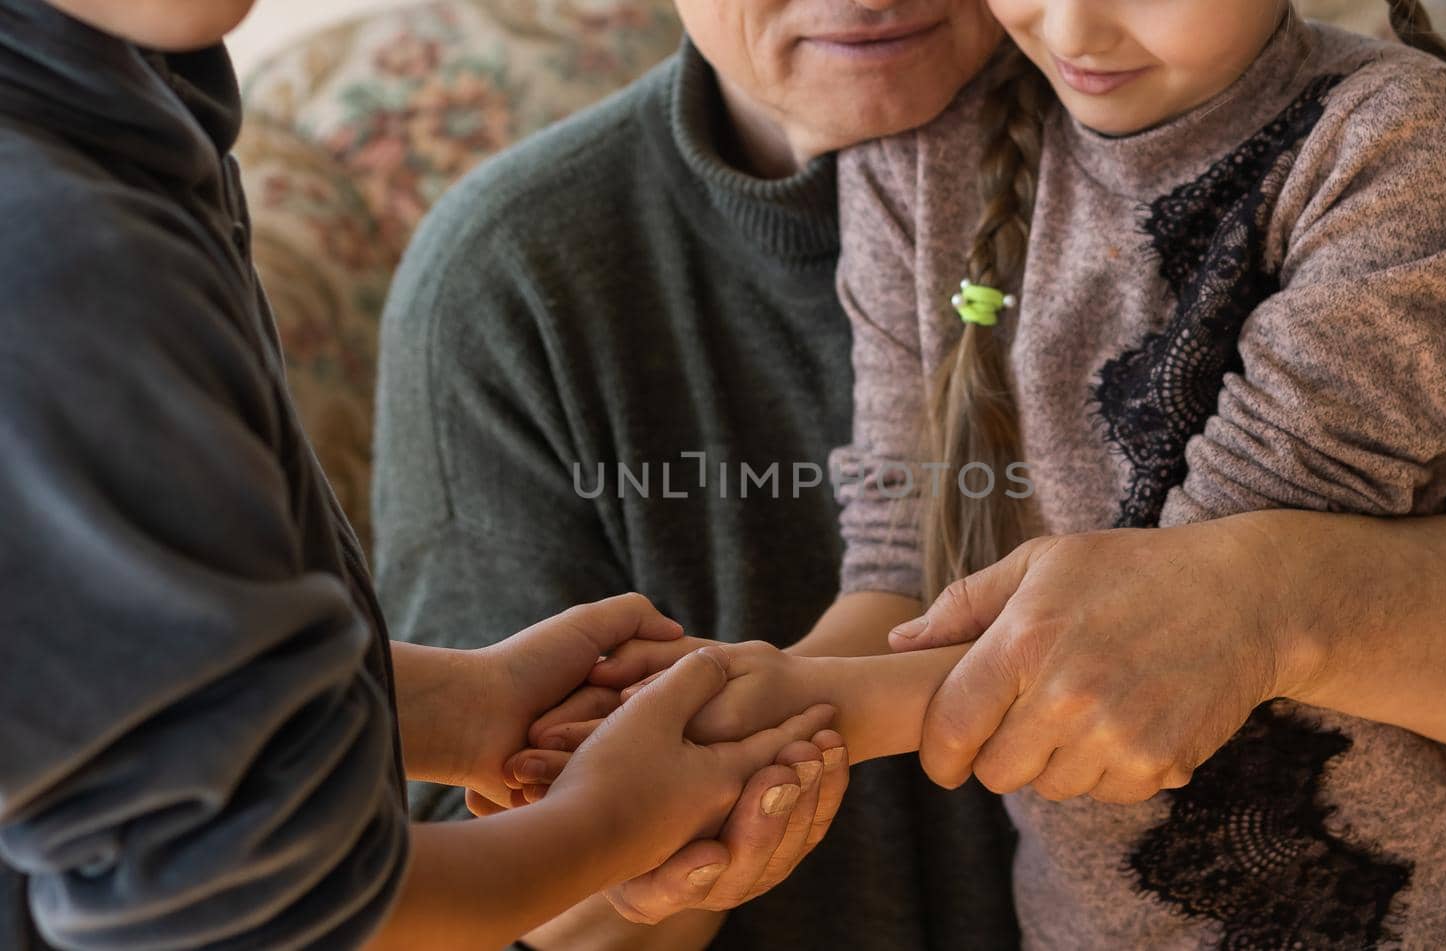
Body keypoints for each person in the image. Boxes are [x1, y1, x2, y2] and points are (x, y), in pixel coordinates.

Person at [375, 0, 1446, 948]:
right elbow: (472, 885)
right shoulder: (518, 278)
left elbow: (1214, 607)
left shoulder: (1346, 150)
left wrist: (751, 718)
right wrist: (685, 767)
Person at [0, 1, 848, 948]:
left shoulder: (129, 97)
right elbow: (247, 912)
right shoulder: (55, 252)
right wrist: (610, 823)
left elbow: (123, 673)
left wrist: (452, 707)